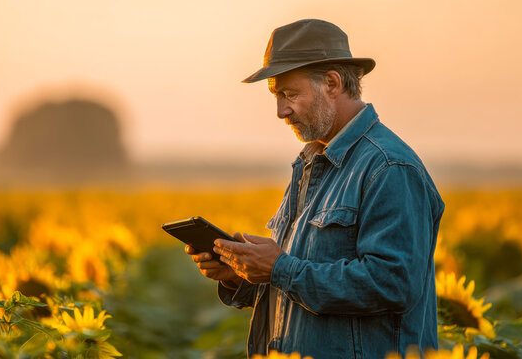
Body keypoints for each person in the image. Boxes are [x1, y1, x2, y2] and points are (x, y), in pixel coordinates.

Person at [185, 19, 444, 358]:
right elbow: (300, 288)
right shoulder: (310, 163)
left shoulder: (389, 168)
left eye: (289, 94)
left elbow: (392, 285)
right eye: (276, 96)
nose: (281, 111)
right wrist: (243, 275)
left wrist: (279, 268)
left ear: (332, 84)